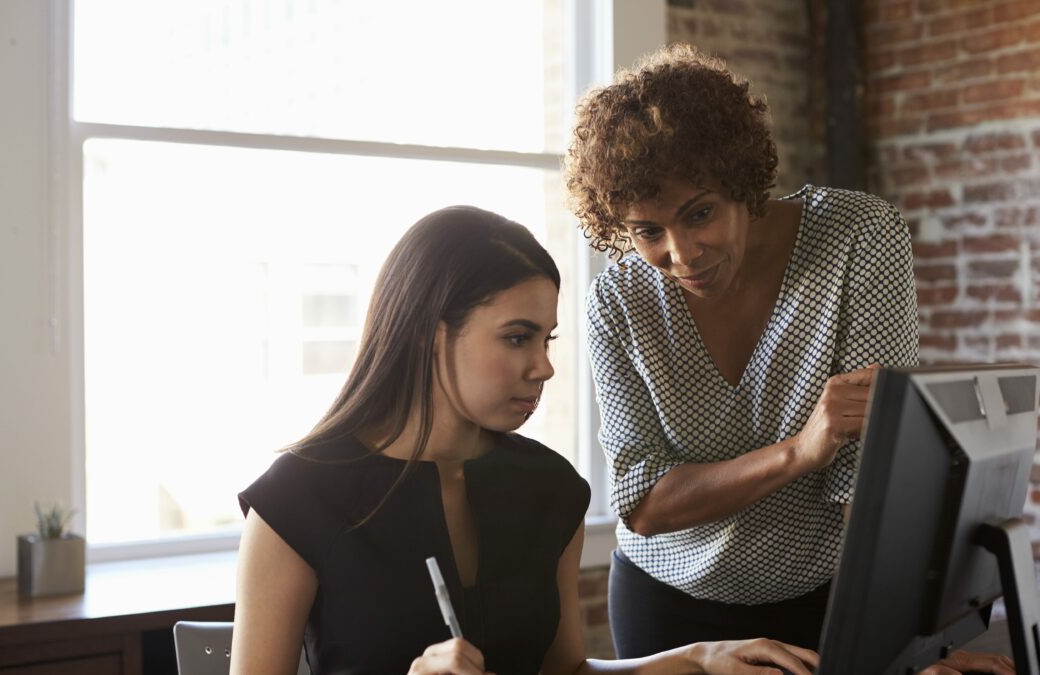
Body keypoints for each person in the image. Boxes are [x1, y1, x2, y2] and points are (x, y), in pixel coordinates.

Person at [563, 43, 1013, 675]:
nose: (682, 254)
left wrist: (908, 648)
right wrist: (800, 451)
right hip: (667, 608)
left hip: (826, 600)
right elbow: (643, 501)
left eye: (700, 214)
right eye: (647, 231)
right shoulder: (618, 300)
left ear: (742, 182)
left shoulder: (858, 236)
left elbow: (869, 481)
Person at [230, 205, 820, 674]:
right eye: (517, 338)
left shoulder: (551, 488)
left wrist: (697, 658)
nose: (544, 367)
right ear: (430, 337)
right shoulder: (296, 502)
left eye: (548, 340)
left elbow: (565, 672)